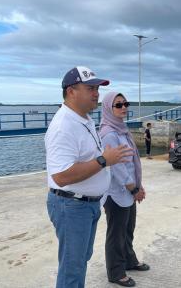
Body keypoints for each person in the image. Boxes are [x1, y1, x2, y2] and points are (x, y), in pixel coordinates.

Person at [45, 66, 133, 288]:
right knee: (72, 267)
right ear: (71, 91)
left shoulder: (83, 119)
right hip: (71, 205)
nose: (97, 93)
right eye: (90, 88)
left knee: (79, 262)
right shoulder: (63, 126)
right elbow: (61, 176)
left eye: (97, 88)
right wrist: (104, 160)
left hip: (86, 205)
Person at [99, 91, 149, 287]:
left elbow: (131, 163)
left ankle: (129, 260)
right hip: (116, 193)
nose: (124, 108)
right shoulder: (109, 134)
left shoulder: (121, 130)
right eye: (118, 105)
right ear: (108, 108)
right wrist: (134, 188)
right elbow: (117, 168)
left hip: (128, 190)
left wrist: (138, 185)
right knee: (116, 234)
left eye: (125, 104)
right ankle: (116, 272)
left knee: (128, 230)